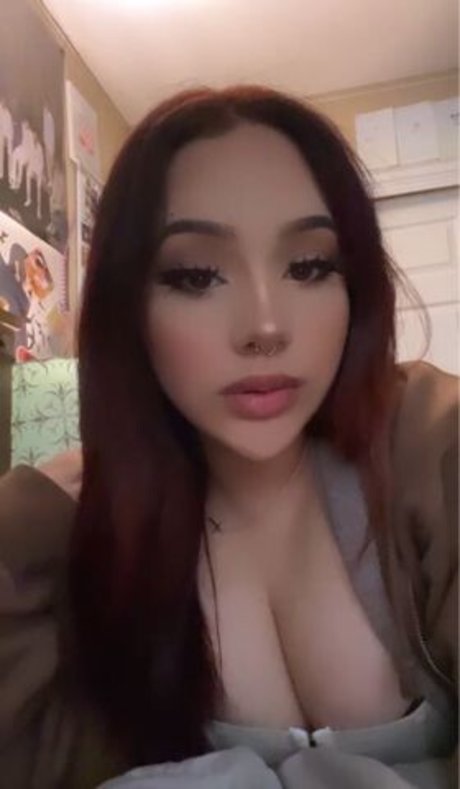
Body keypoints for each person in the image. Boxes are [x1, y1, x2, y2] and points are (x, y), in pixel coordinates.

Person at [0, 86, 457, 789]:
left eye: (309, 266)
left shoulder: (429, 443)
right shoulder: (89, 534)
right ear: (129, 306)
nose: (265, 327)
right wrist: (38, 505)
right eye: (196, 275)